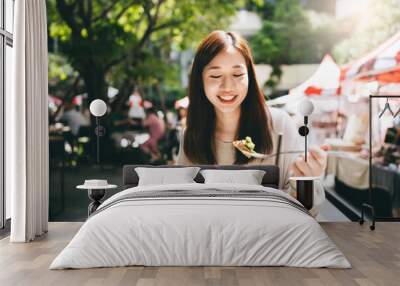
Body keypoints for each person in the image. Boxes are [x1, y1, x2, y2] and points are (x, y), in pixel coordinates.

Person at [176, 30, 329, 216]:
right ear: (200, 81)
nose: (228, 87)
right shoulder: (191, 134)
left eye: (238, 74)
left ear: (249, 75)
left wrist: (307, 180)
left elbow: (307, 210)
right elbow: (183, 203)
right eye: (215, 76)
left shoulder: (279, 125)